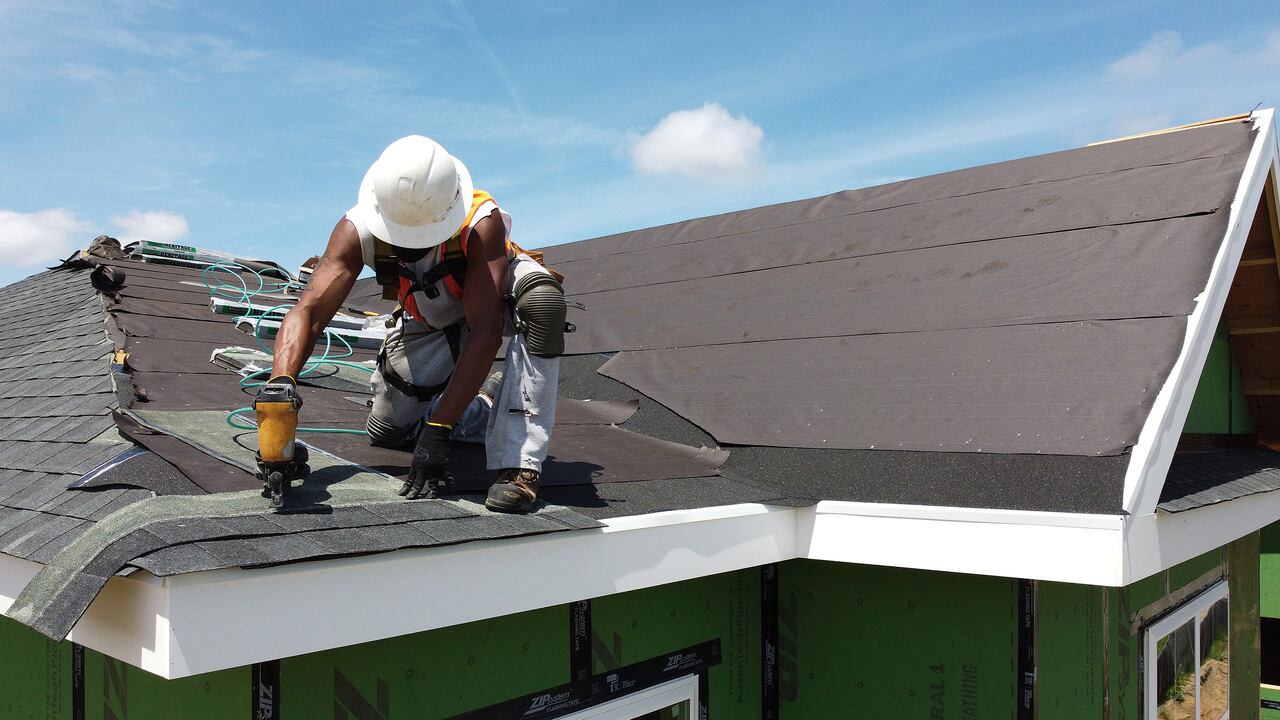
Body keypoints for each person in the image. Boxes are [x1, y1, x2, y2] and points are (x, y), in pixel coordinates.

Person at [262, 135, 565, 513]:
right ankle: (479, 404)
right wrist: (280, 391)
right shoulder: (357, 230)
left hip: (493, 299)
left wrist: (439, 430)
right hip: (432, 317)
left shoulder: (479, 223)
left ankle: (519, 465)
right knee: (388, 431)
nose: (411, 245)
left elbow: (485, 332)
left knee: (543, 303)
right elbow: (308, 312)